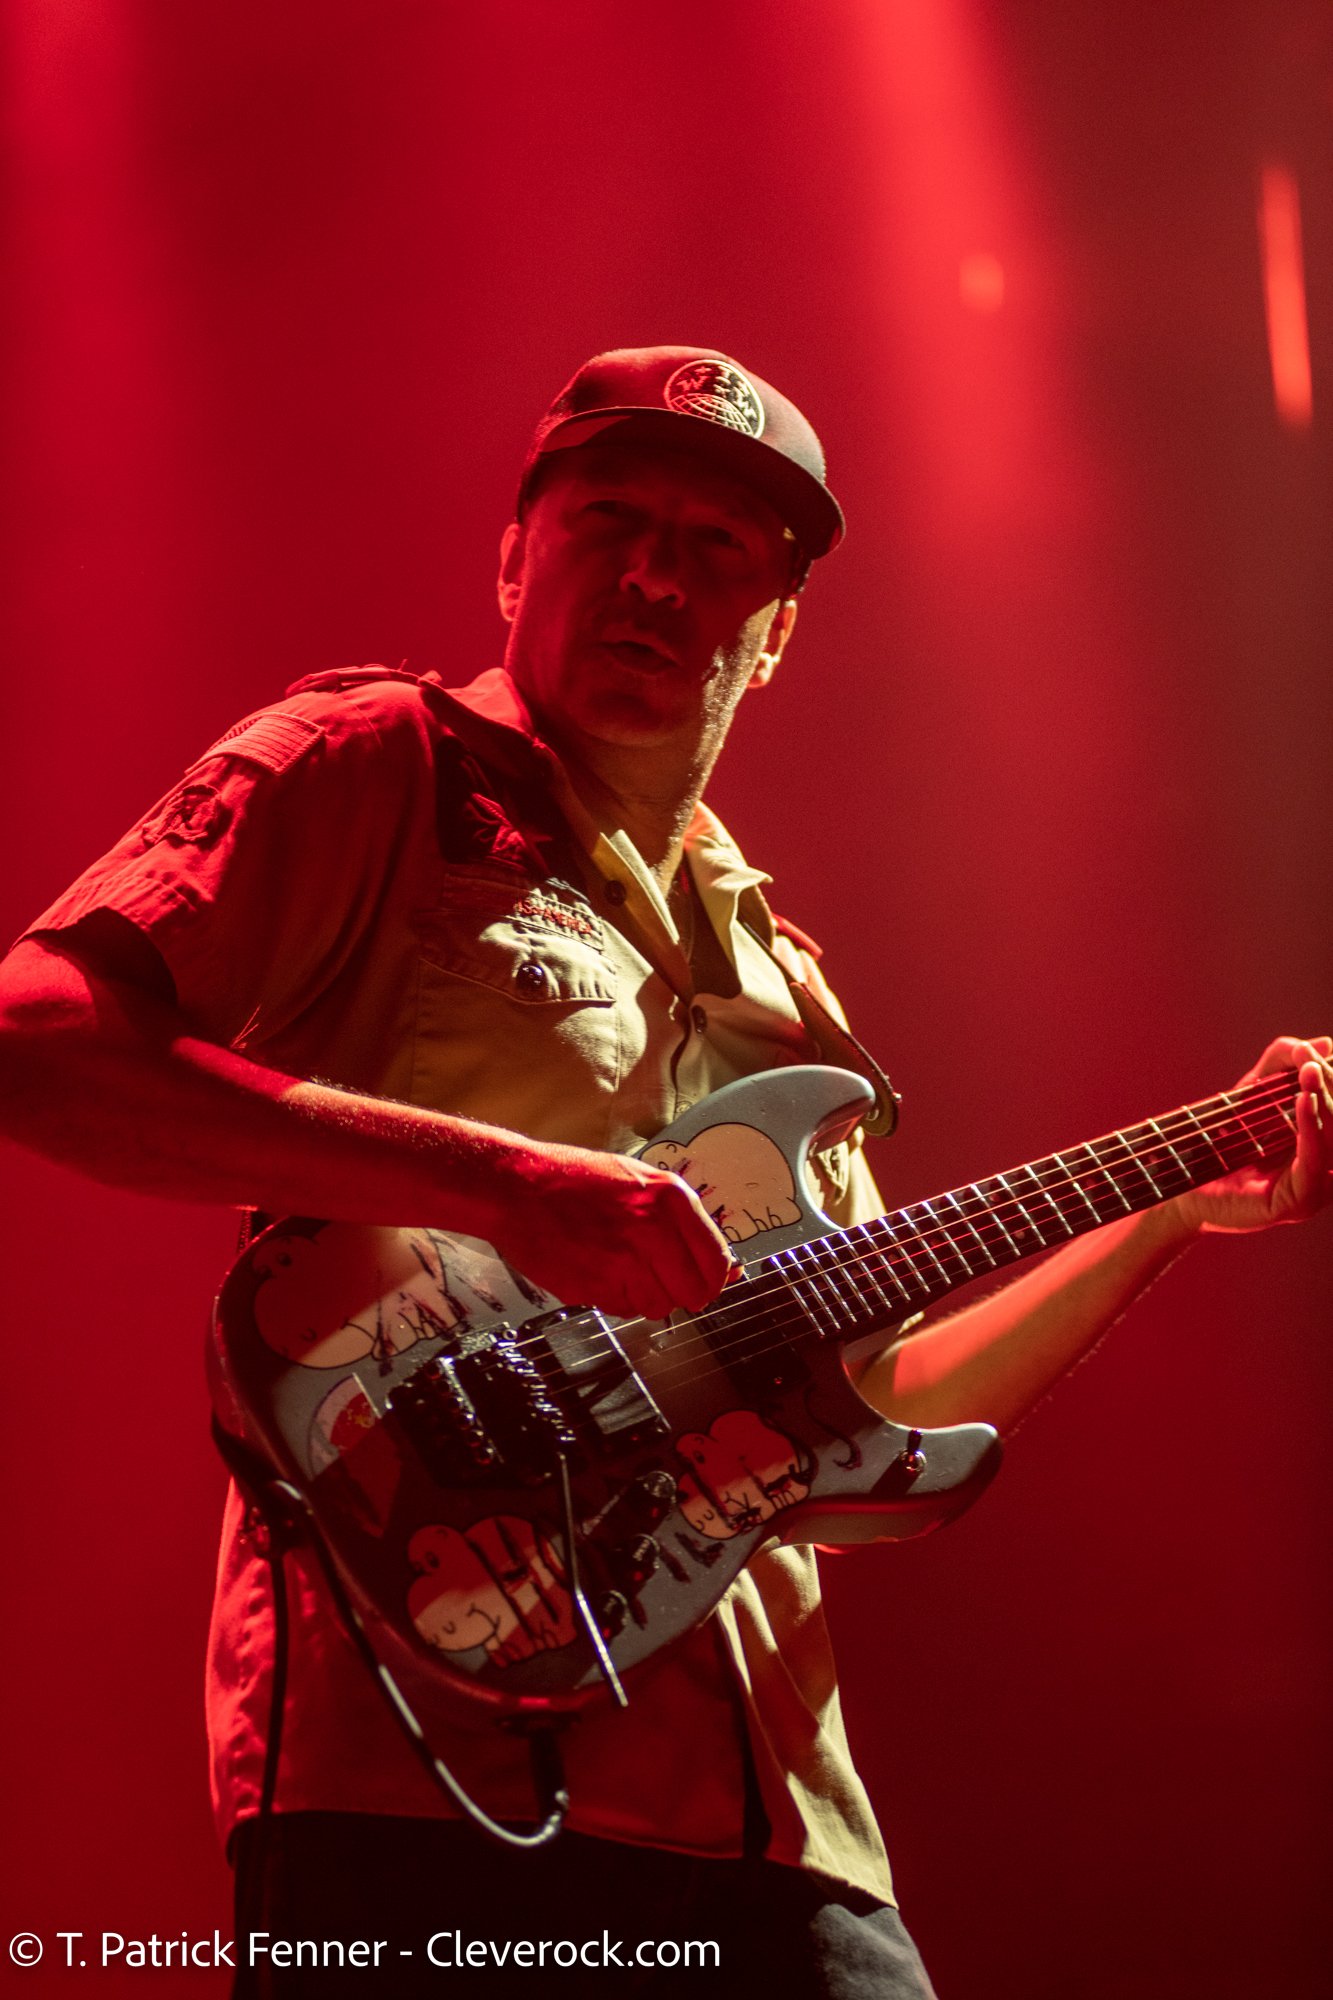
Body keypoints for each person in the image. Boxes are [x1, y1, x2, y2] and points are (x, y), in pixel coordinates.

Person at [0, 345, 1328, 1997]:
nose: (650, 574)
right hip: (427, 1786)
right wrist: (510, 1187)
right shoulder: (371, 763)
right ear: (511, 559)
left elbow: (868, 1402)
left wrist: (1170, 1209)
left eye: (714, 547)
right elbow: (39, 1043)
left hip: (791, 1838)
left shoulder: (787, 977)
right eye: (607, 520)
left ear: (775, 635)